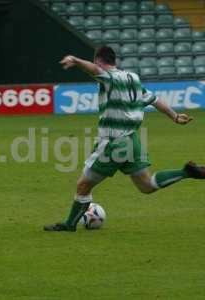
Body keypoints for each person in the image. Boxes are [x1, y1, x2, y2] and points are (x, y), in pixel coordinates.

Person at [44, 46, 205, 232]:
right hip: (132, 140)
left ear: (98, 60)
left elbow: (94, 70)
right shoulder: (133, 78)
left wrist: (75, 59)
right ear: (115, 61)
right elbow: (154, 99)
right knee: (147, 185)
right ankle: (185, 172)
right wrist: (175, 116)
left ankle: (69, 225)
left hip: (114, 143)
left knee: (83, 185)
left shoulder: (109, 77)